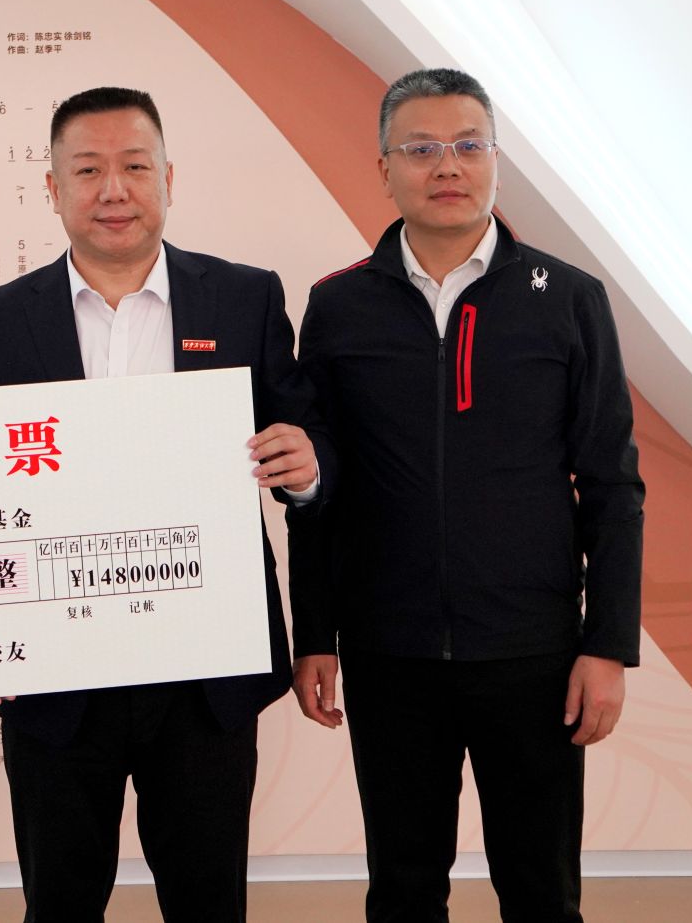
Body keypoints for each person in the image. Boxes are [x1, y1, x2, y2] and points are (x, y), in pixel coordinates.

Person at [0, 85, 328, 923]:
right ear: (52, 187)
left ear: (169, 178)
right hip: (55, 678)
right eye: (88, 170)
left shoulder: (244, 298)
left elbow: (308, 445)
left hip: (204, 675)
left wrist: (306, 467)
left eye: (134, 166)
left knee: (208, 905)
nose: (113, 189)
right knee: (59, 904)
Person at [290, 67, 645, 923]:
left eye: (467, 145)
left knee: (542, 891)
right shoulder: (338, 306)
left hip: (535, 652)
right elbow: (314, 487)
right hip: (389, 651)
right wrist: (315, 634)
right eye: (420, 149)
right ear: (384, 168)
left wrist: (607, 645)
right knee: (403, 889)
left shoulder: (568, 300)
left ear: (495, 161)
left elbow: (612, 484)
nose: (446, 166)